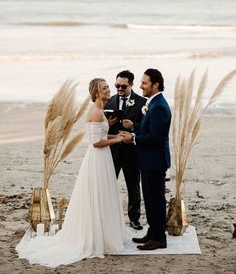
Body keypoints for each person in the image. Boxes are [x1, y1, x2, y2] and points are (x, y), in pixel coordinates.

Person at [16, 78, 126, 268]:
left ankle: (105, 235)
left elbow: (100, 136)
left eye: (109, 87)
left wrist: (115, 135)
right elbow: (95, 142)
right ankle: (96, 237)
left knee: (104, 195)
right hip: (98, 158)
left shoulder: (99, 112)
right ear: (97, 92)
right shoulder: (96, 112)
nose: (109, 90)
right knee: (98, 195)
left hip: (102, 157)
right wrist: (117, 140)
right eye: (105, 88)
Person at [123, 68, 171, 250]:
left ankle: (159, 239)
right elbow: (148, 128)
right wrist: (133, 127)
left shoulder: (159, 106)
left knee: (156, 200)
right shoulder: (153, 103)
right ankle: (153, 232)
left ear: (155, 84)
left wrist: (132, 138)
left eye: (144, 83)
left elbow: (155, 138)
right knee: (150, 199)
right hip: (149, 160)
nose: (141, 86)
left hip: (155, 161)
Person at [105, 70, 146, 230]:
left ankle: (134, 219)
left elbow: (147, 128)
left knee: (133, 186)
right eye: (117, 86)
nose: (119, 89)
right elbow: (101, 127)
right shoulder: (109, 101)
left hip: (132, 152)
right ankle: (108, 218)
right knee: (108, 185)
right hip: (112, 151)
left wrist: (134, 126)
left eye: (123, 86)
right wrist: (107, 125)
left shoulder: (142, 102)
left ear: (131, 85)